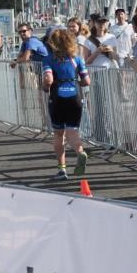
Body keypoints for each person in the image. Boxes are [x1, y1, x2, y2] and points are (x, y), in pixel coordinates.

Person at [42, 28, 90, 180]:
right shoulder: (77, 59)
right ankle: (80, 151)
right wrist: (77, 82)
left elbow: (48, 79)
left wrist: (45, 87)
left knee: (58, 133)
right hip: (75, 96)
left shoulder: (49, 59)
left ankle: (62, 170)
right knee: (72, 131)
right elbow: (86, 81)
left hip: (58, 97)